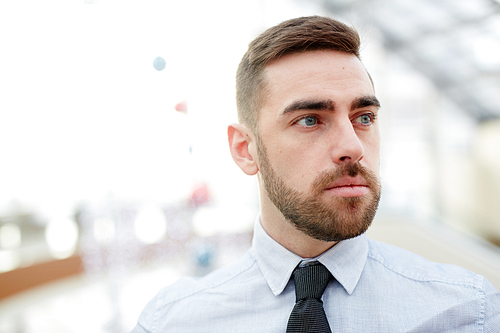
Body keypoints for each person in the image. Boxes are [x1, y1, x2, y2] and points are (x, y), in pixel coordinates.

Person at [132, 16, 500, 332]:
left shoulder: (470, 313)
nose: (353, 146)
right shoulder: (173, 323)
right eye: (310, 120)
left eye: (364, 117)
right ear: (245, 149)